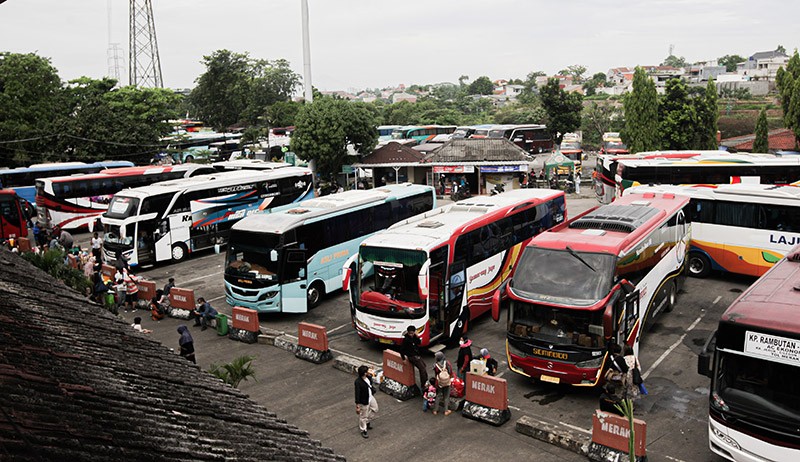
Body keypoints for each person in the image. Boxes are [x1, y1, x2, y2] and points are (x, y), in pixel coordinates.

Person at [400, 325, 428, 389]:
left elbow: (419, 343)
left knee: (424, 366)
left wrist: (417, 336)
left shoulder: (414, 337)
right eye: (410, 333)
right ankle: (423, 385)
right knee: (422, 369)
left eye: (412, 333)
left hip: (416, 355)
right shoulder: (406, 340)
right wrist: (403, 359)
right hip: (412, 356)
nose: (411, 335)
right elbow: (401, 350)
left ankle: (425, 382)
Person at [354, 365, 378, 439]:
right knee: (363, 416)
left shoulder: (368, 377)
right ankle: (363, 430)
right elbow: (357, 394)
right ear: (364, 373)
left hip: (370, 397)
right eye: (367, 371)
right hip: (364, 401)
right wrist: (357, 405)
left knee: (375, 409)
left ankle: (367, 421)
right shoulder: (358, 382)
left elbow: (370, 381)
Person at [432, 351, 454, 416]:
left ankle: (435, 410)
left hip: (439, 382)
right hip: (447, 382)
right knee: (446, 396)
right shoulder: (447, 363)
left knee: (438, 395)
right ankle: (446, 411)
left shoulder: (435, 365)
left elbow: (436, 373)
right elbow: (450, 372)